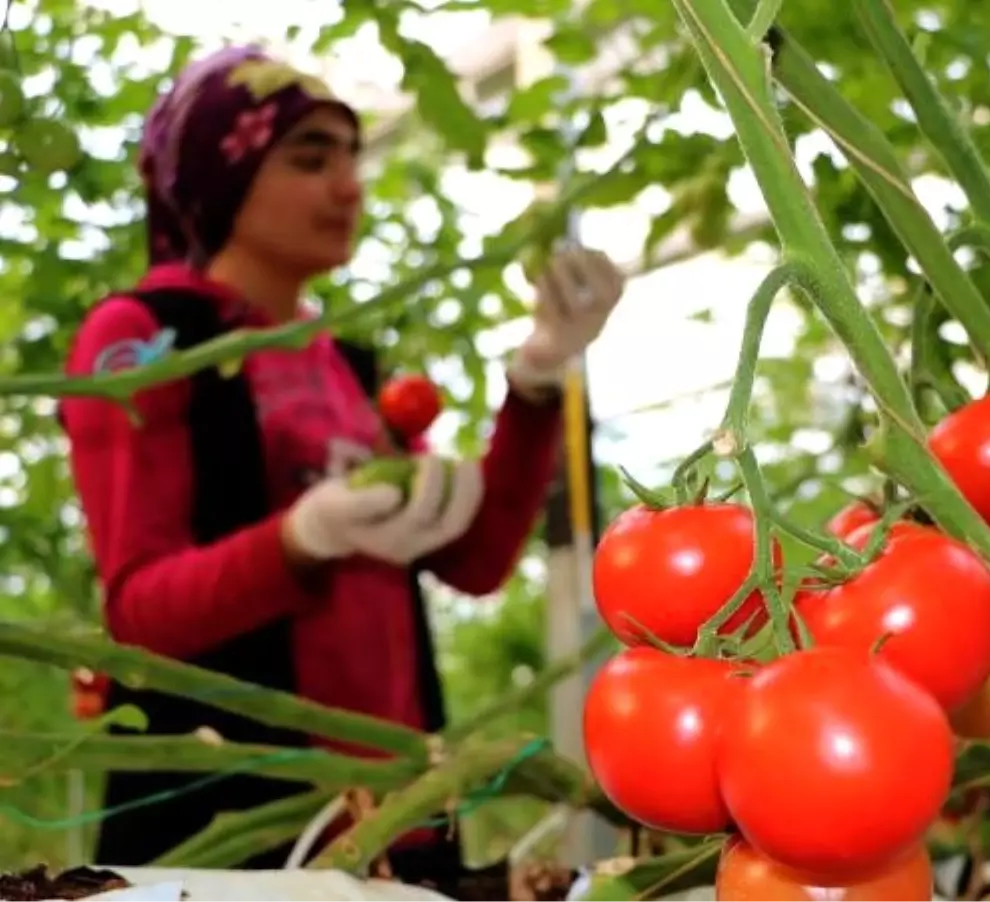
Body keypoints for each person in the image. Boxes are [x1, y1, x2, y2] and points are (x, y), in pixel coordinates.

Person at [58, 44, 626, 887]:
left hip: (395, 807)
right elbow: (139, 613)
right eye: (310, 158)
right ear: (223, 173)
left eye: (352, 157)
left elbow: (474, 562)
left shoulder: (346, 367)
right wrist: (296, 541)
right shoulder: (145, 340)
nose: (349, 187)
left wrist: (536, 380)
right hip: (236, 815)